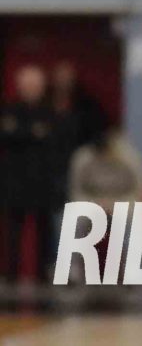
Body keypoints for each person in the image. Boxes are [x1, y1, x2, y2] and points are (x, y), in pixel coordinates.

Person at [0, 64, 71, 287]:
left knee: (44, 229)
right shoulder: (9, 110)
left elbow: (56, 141)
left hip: (43, 181)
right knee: (13, 229)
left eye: (35, 85)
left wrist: (22, 134)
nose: (31, 89)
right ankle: (10, 274)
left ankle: (43, 274)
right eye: (27, 85)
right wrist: (32, 133)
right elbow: (8, 134)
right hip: (14, 181)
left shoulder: (51, 113)